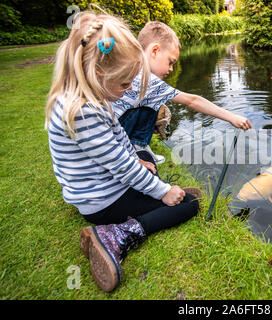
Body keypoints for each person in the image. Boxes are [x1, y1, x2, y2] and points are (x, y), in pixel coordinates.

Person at [45, 11, 201, 292]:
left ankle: (163, 194)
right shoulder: (84, 112)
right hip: (101, 200)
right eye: (125, 84)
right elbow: (121, 168)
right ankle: (114, 235)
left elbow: (119, 139)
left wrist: (138, 160)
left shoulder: (89, 97)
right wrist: (161, 191)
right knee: (189, 206)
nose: (128, 89)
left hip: (96, 185)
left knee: (146, 161)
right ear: (99, 72)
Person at [113, 21, 252, 164]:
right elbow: (192, 101)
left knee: (158, 99)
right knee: (158, 98)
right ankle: (138, 145)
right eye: (170, 62)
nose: (171, 69)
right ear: (154, 51)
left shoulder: (129, 65)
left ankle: (139, 143)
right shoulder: (147, 79)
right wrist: (231, 117)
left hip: (113, 130)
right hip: (116, 138)